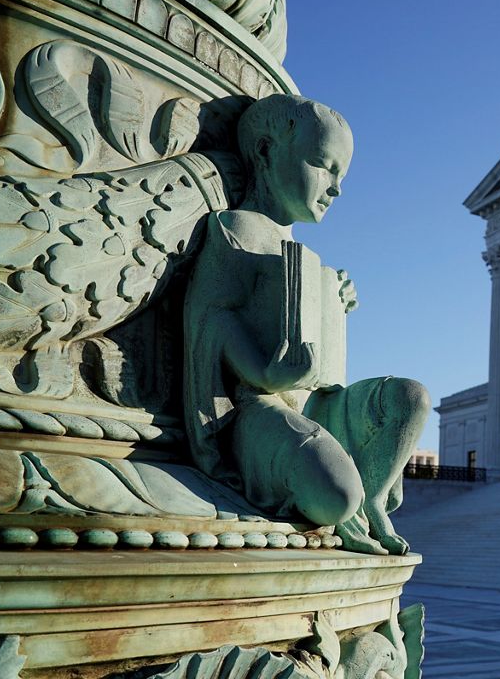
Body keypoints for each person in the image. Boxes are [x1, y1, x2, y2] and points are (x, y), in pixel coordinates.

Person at [183, 94, 427, 555]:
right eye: (322, 164)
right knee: (336, 497)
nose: (335, 188)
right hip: (260, 406)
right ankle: (351, 497)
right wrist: (265, 373)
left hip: (321, 400)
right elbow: (211, 320)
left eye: (342, 175)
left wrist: (334, 301)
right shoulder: (236, 229)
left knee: (411, 397)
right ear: (266, 151)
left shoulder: (307, 256)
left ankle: (374, 497)